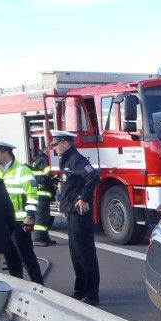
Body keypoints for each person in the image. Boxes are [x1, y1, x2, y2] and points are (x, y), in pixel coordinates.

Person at [51, 130, 100, 304]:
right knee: (75, 254)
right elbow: (69, 187)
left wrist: (84, 199)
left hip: (80, 214)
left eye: (56, 145)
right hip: (72, 212)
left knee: (85, 254)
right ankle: (80, 289)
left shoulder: (76, 159)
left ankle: (92, 293)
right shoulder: (67, 160)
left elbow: (93, 176)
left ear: (65, 143)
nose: (54, 148)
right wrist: (66, 206)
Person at [0, 139, 44, 283]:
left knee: (27, 257)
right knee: (11, 258)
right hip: (4, 223)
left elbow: (32, 195)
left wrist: (30, 216)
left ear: (6, 152)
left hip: (20, 222)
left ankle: (39, 287)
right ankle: (17, 286)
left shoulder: (22, 170)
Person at [30, 150, 56, 246]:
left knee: (45, 217)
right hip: (42, 192)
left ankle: (44, 237)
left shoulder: (40, 159)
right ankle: (38, 238)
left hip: (43, 191)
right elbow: (46, 173)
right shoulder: (43, 160)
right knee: (41, 216)